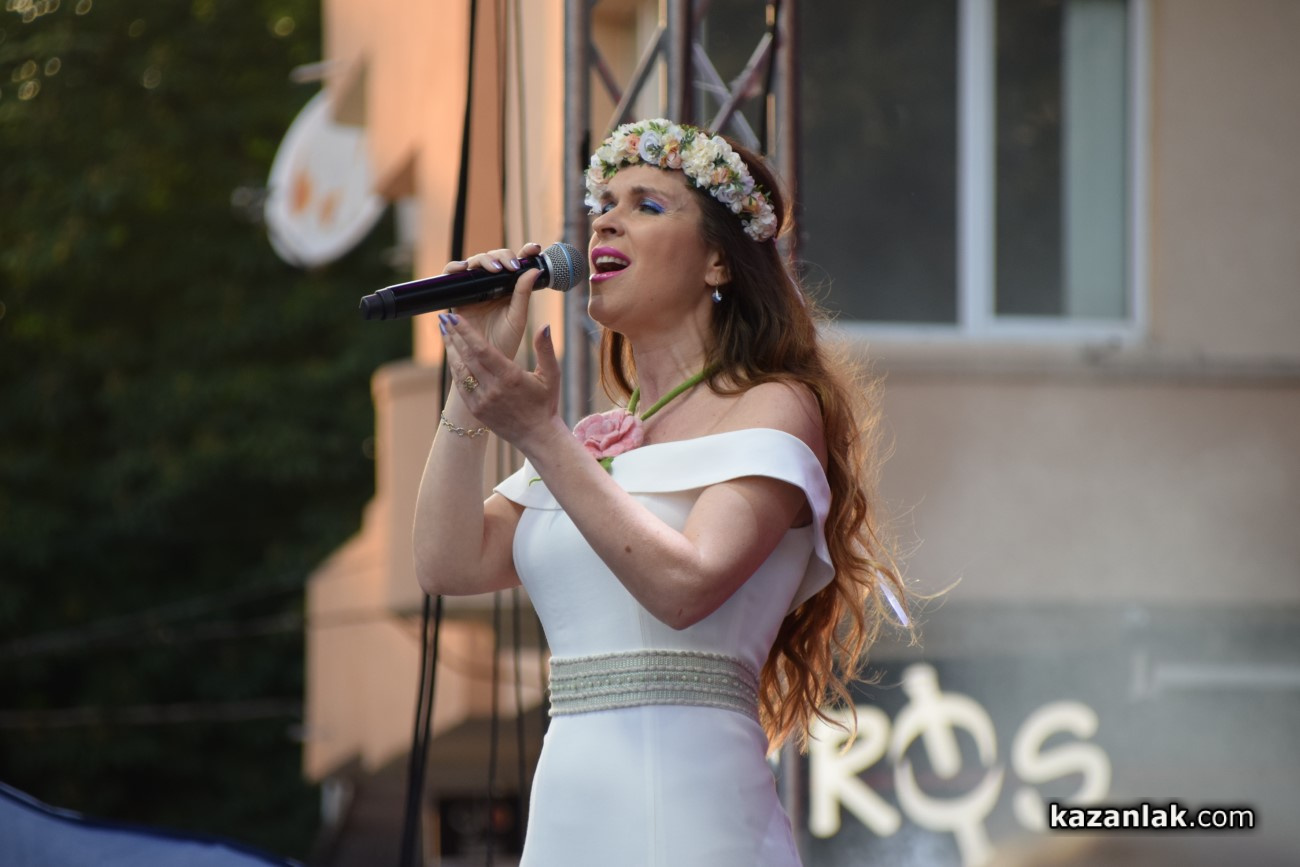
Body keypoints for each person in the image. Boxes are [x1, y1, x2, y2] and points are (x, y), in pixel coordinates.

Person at [413, 118, 907, 866]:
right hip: (570, 815)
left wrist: (541, 434)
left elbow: (685, 587)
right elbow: (447, 561)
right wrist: (472, 377)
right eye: (603, 204)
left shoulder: (774, 405)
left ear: (718, 261)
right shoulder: (597, 440)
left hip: (690, 812)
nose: (605, 221)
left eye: (647, 205)